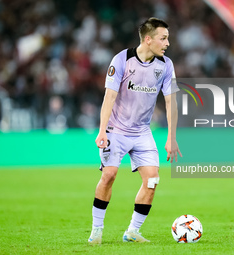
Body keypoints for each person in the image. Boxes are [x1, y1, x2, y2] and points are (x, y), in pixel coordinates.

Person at [88, 17, 182, 244]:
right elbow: (109, 97)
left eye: (168, 38)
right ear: (148, 39)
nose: (167, 43)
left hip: (142, 132)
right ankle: (97, 229)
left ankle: (132, 231)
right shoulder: (122, 60)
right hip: (115, 130)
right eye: (163, 38)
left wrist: (172, 138)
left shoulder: (166, 65)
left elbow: (171, 102)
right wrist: (102, 131)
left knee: (152, 180)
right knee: (109, 175)